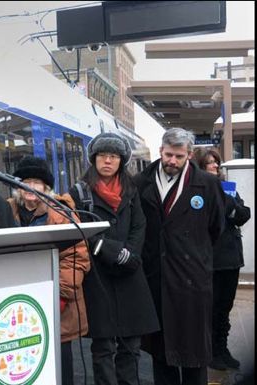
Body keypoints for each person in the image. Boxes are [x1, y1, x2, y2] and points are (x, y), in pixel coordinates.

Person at [134, 128, 225, 385]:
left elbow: (216, 228)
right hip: (157, 279)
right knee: (161, 354)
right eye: (168, 154)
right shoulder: (142, 182)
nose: (172, 161)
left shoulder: (206, 184)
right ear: (160, 150)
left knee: (194, 353)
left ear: (190, 155)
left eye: (178, 156)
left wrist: (197, 258)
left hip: (191, 281)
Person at [69, 132, 159, 385]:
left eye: (113, 156)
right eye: (102, 156)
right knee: (104, 346)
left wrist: (130, 253)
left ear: (121, 161)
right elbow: (78, 228)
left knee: (131, 345)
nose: (107, 161)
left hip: (130, 274)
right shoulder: (80, 192)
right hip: (99, 276)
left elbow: (140, 225)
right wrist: (111, 251)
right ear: (94, 159)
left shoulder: (131, 190)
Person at [8, 155, 90, 385]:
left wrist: (59, 297)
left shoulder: (62, 215)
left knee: (60, 368)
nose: (30, 187)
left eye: (37, 182)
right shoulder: (7, 210)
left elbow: (77, 258)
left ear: (46, 187)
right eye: (26, 181)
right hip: (18, 306)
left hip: (57, 306)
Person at [193, 147, 251, 371]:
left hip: (231, 258)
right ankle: (210, 352)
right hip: (210, 259)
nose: (216, 166)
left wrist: (229, 204)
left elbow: (243, 215)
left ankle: (222, 349)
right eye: (210, 163)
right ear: (201, 166)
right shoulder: (199, 190)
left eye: (217, 163)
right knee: (211, 308)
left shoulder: (228, 189)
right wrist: (228, 205)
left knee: (225, 308)